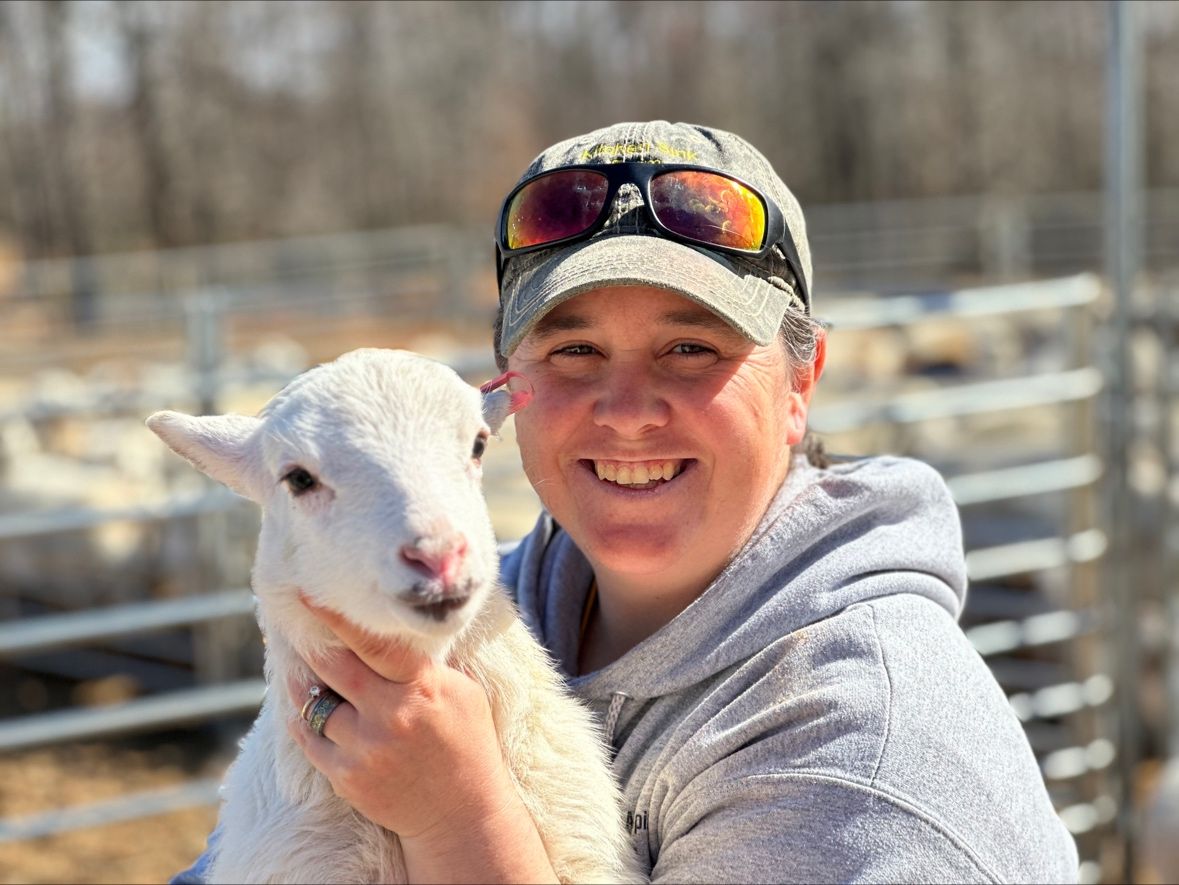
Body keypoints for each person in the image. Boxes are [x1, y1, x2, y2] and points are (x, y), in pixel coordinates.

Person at [175, 120, 1079, 883]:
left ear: (801, 379)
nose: (627, 413)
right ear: (508, 385)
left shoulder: (865, 771)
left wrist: (457, 818)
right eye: (573, 352)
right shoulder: (499, 600)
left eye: (690, 347)